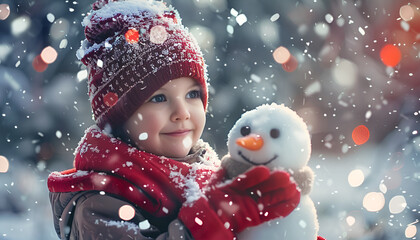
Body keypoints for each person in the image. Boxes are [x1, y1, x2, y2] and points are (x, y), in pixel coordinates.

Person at [47, 0, 302, 239]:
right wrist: (215, 216)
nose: (182, 112)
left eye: (192, 94)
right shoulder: (100, 202)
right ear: (120, 115)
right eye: (158, 98)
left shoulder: (211, 174)